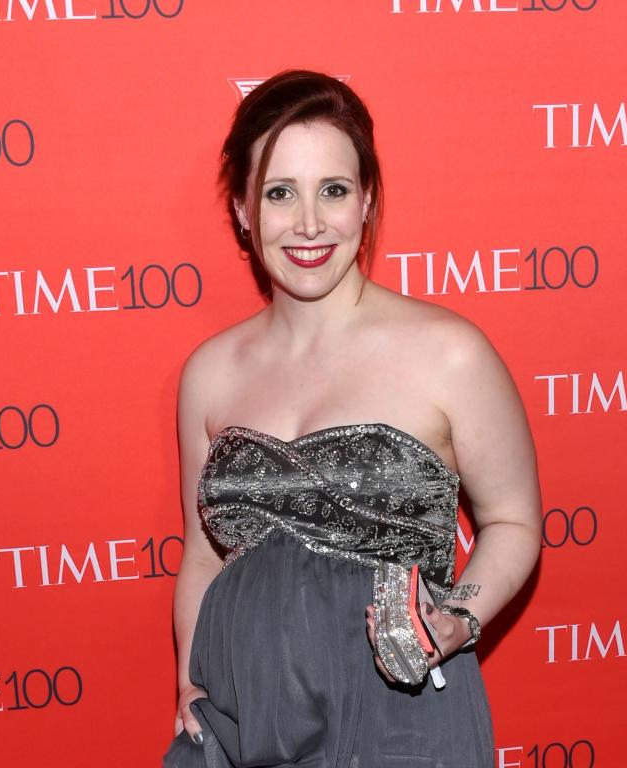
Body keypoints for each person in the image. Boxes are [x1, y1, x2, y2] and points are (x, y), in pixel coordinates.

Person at [162, 69, 541, 768]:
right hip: (242, 708)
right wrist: (191, 677)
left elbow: (515, 524)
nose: (308, 224)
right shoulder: (210, 373)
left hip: (398, 708)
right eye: (280, 193)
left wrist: (457, 620)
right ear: (244, 212)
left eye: (333, 190)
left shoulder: (448, 353)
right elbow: (202, 555)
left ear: (366, 201)